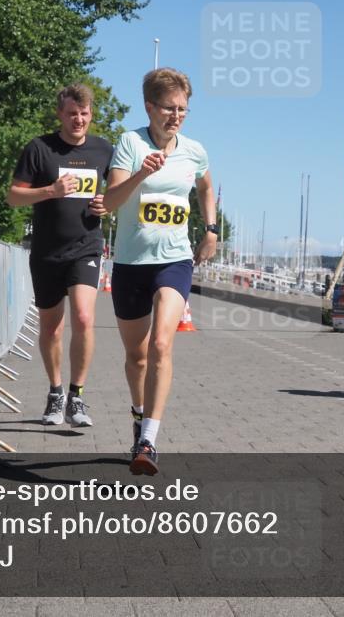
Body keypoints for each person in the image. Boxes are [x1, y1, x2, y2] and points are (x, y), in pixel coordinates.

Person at [103, 68, 218, 475]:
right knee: (136, 355)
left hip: (174, 259)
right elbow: (110, 201)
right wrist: (142, 173)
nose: (177, 116)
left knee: (161, 346)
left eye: (183, 109)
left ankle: (149, 440)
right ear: (150, 107)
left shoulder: (194, 150)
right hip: (132, 263)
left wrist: (211, 230)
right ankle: (138, 413)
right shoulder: (130, 144)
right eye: (169, 108)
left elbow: (205, 187)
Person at [8, 84, 112, 427]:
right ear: (60, 114)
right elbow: (14, 197)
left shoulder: (103, 150)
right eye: (71, 114)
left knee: (83, 318)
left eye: (84, 114)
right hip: (47, 251)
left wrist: (106, 205)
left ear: (91, 114)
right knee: (52, 328)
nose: (78, 120)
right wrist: (50, 191)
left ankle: (77, 396)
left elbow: (117, 192)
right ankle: (55, 393)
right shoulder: (40, 149)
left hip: (86, 247)